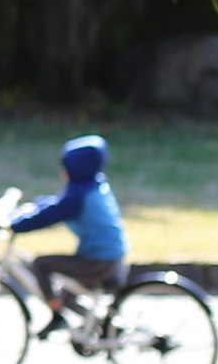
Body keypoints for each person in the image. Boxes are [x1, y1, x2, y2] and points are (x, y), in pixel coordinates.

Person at [8, 132, 129, 334]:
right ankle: (97, 326)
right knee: (68, 289)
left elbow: (52, 214)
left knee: (41, 264)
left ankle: (57, 315)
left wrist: (17, 225)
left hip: (99, 262)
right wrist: (39, 204)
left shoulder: (78, 195)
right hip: (113, 257)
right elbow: (57, 204)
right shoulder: (94, 185)